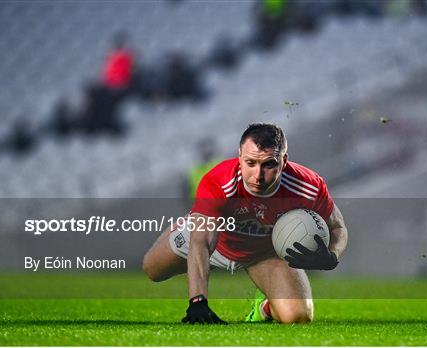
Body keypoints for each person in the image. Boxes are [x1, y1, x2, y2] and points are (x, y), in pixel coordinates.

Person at [143, 123, 348, 324]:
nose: (258, 176)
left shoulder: (308, 186)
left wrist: (332, 256)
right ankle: (194, 218)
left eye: (268, 164)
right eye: (250, 163)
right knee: (152, 270)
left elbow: (337, 227)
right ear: (239, 156)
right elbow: (201, 244)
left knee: (298, 317)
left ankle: (265, 307)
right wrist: (198, 301)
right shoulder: (219, 181)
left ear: (283, 161)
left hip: (263, 253)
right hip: (214, 240)